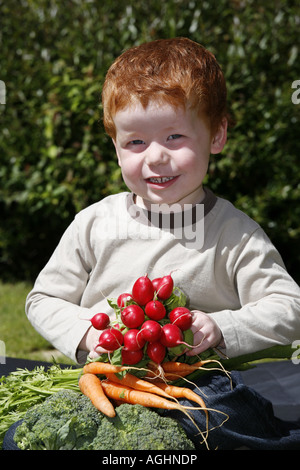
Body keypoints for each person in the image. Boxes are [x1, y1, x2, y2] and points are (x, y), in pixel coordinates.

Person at [25, 37, 300, 449]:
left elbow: (289, 306)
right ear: (115, 148)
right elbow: (42, 299)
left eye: (174, 137)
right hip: (105, 381)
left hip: (196, 386)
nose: (155, 157)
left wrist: (222, 327)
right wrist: (88, 335)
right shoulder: (94, 223)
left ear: (217, 135)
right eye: (136, 142)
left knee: (226, 415)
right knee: (24, 434)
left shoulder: (234, 233)